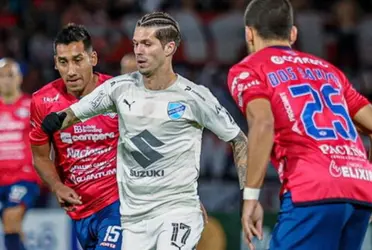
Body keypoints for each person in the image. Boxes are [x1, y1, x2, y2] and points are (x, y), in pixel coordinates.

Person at [40, 12, 248, 250]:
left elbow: (239, 139)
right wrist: (55, 120)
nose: (138, 50)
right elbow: (73, 113)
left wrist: (248, 198)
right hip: (133, 218)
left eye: (147, 44)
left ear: (169, 48)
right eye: (136, 43)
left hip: (177, 211)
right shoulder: (118, 89)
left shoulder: (194, 97)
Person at [227, 0, 372, 249]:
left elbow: (262, 123)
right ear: (293, 33)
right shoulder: (330, 71)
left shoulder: (249, 69)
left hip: (311, 190)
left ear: (248, 33)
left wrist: (251, 196)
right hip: (360, 188)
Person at [29, 24, 122, 250]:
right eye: (63, 62)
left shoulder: (117, 92)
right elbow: (40, 157)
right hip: (80, 210)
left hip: (119, 203)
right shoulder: (42, 101)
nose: (70, 70)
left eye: (78, 60)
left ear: (93, 58)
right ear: (55, 63)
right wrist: (57, 186)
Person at [0, 58, 40, 250]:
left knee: (11, 216)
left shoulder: (31, 106)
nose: (6, 80)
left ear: (20, 78)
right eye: (2, 76)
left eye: (10, 75)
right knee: (12, 227)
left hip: (23, 177)